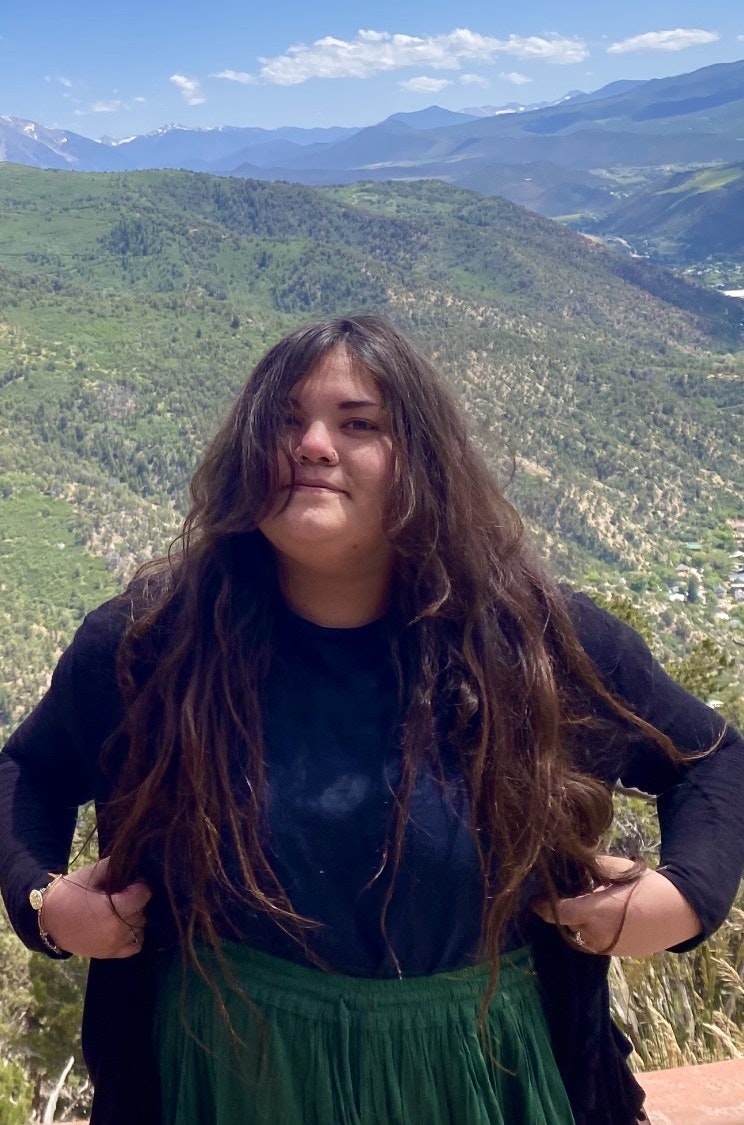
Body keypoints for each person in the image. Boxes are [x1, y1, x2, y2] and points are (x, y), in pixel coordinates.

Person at [1, 314, 743, 1125]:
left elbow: (710, 757)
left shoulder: (534, 643)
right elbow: (25, 773)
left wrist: (687, 897)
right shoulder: (152, 646)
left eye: (359, 424)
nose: (312, 444)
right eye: (285, 420)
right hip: (223, 1081)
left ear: (420, 464)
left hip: (491, 1081)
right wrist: (44, 903)